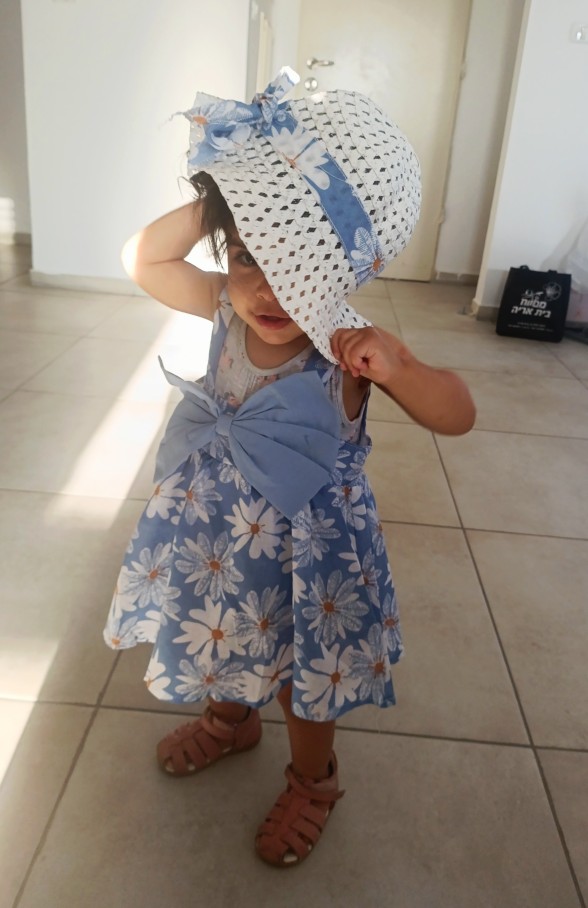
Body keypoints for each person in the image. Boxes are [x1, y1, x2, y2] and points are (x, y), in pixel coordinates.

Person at [104, 67, 475, 868]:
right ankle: (229, 721)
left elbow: (458, 414)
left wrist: (399, 369)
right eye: (248, 256)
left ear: (347, 264)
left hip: (309, 557)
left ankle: (314, 779)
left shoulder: (350, 344)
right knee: (221, 630)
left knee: (301, 675)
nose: (268, 287)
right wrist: (223, 196)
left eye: (299, 260)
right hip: (221, 534)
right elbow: (142, 258)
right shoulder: (223, 304)